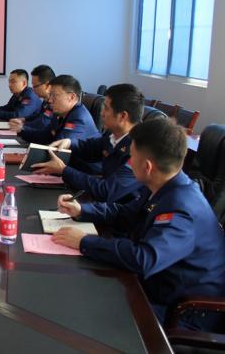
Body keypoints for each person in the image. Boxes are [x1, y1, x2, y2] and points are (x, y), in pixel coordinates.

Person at [53, 118, 225, 329]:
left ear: (147, 166)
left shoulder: (182, 208)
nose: (129, 161)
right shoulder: (166, 185)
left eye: (131, 156)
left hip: (181, 311)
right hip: (156, 286)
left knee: (82, 312)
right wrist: (82, 210)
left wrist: (84, 242)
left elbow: (144, 258)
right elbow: (126, 213)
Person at [32, 84, 144, 204]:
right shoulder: (113, 135)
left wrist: (64, 170)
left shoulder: (140, 149)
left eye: (106, 108)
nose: (102, 113)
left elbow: (106, 191)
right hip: (101, 204)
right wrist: (69, 142)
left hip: (119, 210)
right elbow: (89, 148)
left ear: (122, 116)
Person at [15, 74, 99, 146]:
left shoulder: (79, 118)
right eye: (50, 95)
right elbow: (44, 136)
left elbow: (59, 148)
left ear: (71, 97)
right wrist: (21, 130)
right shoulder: (59, 113)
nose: (50, 100)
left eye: (54, 96)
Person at [9, 65, 56, 133]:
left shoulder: (54, 102)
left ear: (47, 85)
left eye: (35, 86)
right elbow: (39, 116)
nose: (33, 90)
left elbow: (43, 123)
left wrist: (22, 126)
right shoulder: (46, 100)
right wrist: (24, 119)